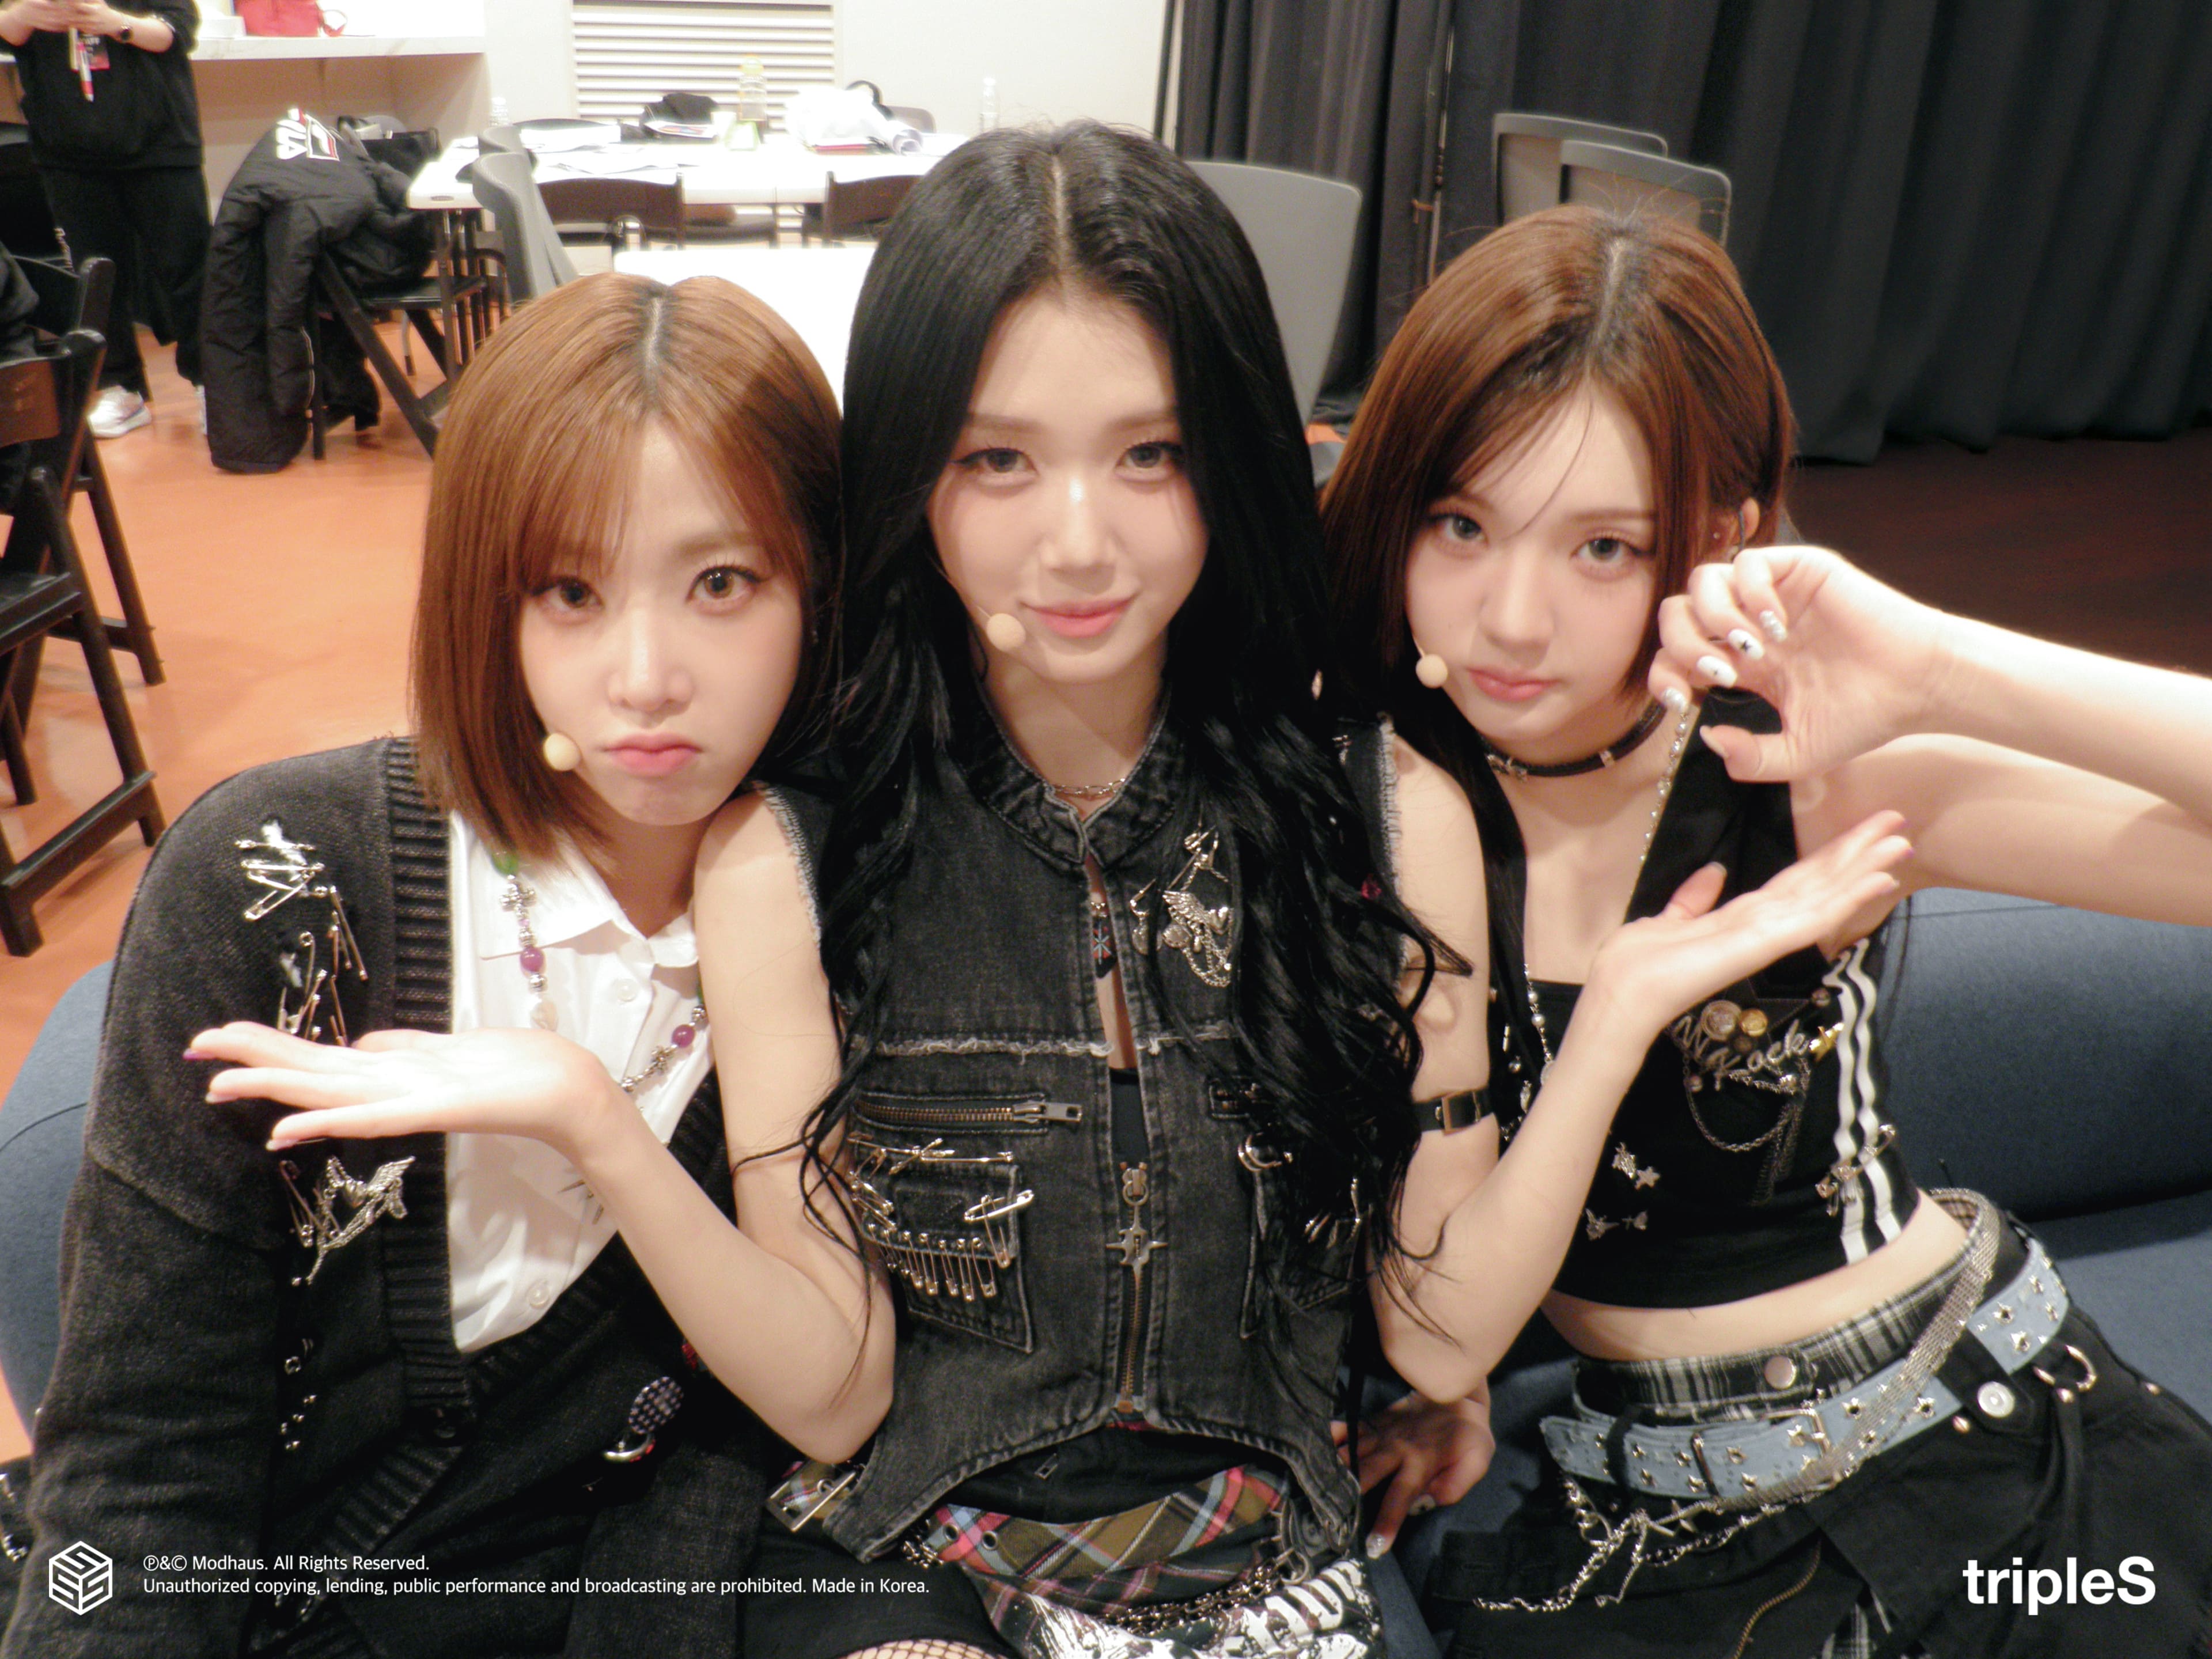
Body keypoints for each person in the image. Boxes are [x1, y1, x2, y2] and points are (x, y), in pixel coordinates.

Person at [702, 123, 1896, 1659]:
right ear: (910, 472)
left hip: (1262, 1566)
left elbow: (1436, 1333)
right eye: (997, 459)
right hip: (904, 1551)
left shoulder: (1377, 810)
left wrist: (1611, 1022)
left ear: (1234, 460)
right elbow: (824, 1394)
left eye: (1151, 453)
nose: (1079, 542)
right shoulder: (797, 849)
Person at [1321, 205, 2212, 1657]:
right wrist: (1615, 1014)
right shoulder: (1395, 794)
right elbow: (1436, 1332)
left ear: (1719, 537)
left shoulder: (1790, 763)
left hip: (1976, 1449)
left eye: (1602, 547)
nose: (1512, 618)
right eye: (1461, 524)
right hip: (1654, 1521)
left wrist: (1937, 661)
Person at [0, 271, 854, 1657]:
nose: (646, 676)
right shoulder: (275, 883)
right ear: (487, 601)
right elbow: (142, 1470)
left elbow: (787, 1430)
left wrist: (594, 1116)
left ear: (818, 588)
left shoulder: (839, 919)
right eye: (570, 590)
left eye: (722, 583)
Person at [0, 0, 209, 436]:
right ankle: (120, 386)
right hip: (67, 146)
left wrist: (118, 25)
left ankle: (212, 381)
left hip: (160, 140)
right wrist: (20, 18)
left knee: (187, 268)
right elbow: (8, 31)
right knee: (97, 276)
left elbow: (178, 30)